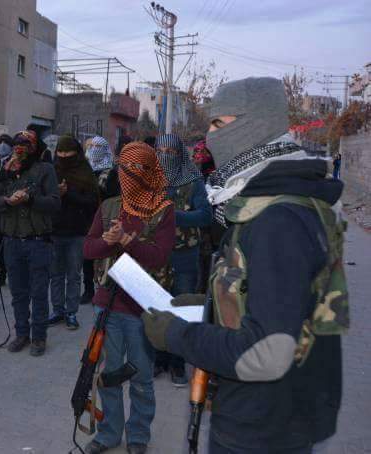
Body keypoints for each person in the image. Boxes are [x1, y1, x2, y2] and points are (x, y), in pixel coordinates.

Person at [142, 77, 347, 453]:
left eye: (218, 123)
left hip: (263, 427)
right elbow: (269, 298)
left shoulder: (278, 219)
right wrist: (206, 305)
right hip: (268, 415)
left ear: (256, 124)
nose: (209, 137)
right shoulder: (268, 200)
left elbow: (266, 352)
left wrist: (176, 335)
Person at [83, 141, 176, 454]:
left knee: (141, 376)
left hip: (141, 308)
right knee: (108, 374)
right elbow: (88, 249)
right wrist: (109, 241)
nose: (131, 174)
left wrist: (127, 241)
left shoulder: (163, 209)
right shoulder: (109, 205)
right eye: (126, 167)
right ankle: (108, 434)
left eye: (138, 168)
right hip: (106, 302)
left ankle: (138, 436)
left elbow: (159, 257)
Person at [0, 130, 60, 356]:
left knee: (39, 292)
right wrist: (7, 201)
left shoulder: (45, 170)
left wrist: (30, 199)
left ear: (34, 147)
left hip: (38, 241)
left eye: (25, 145)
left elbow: (54, 203)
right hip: (12, 242)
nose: (20, 149)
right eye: (17, 144)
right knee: (18, 292)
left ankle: (38, 337)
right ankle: (21, 333)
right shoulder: (6, 170)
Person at [154, 133, 212, 386]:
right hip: (156, 253)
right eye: (160, 151)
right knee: (157, 308)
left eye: (170, 152)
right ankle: (159, 359)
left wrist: (175, 216)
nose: (165, 156)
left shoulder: (193, 180)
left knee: (181, 308)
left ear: (180, 154)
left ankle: (178, 364)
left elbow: (205, 216)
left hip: (184, 255)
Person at [47, 135, 99, 330]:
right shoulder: (51, 171)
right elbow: (43, 200)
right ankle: (58, 310)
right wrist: (56, 195)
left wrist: (68, 194)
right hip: (54, 231)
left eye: (68, 153)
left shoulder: (85, 172)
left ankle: (71, 312)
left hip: (77, 232)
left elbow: (92, 202)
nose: (63, 156)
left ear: (76, 153)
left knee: (74, 275)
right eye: (60, 152)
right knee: (56, 275)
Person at [82, 135, 114, 305]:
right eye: (91, 146)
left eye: (98, 147)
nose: (94, 150)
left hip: (105, 217)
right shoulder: (84, 169)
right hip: (86, 217)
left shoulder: (110, 172)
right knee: (87, 256)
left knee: (103, 255)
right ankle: (88, 290)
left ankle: (103, 290)